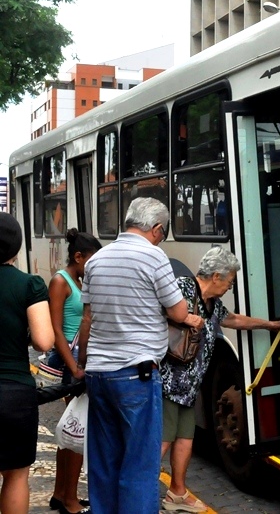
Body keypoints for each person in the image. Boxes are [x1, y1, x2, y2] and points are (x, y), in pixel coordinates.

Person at [75, 197, 204, 514]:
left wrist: (82, 365)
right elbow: (178, 309)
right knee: (140, 462)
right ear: (157, 229)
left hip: (98, 374)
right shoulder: (154, 257)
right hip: (136, 375)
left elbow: (87, 319)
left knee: (104, 460)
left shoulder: (97, 260)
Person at [160, 247, 280, 512]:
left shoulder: (213, 304)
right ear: (216, 276)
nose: (230, 286)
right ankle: (135, 497)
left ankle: (177, 494)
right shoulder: (183, 287)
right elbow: (160, 310)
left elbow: (233, 320)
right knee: (162, 441)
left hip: (189, 388)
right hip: (168, 383)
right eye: (229, 281)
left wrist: (268, 325)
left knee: (185, 439)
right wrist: (185, 317)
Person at [0, 212, 55, 514]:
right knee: (16, 475)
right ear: (17, 247)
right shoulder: (29, 284)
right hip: (15, 393)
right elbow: (44, 341)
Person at [47, 229, 101, 514]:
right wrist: (74, 368)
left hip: (81, 363)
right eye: (91, 260)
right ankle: (69, 499)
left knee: (70, 433)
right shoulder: (61, 281)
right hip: (73, 365)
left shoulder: (80, 280)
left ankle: (62, 493)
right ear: (78, 257)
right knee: (78, 434)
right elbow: (55, 329)